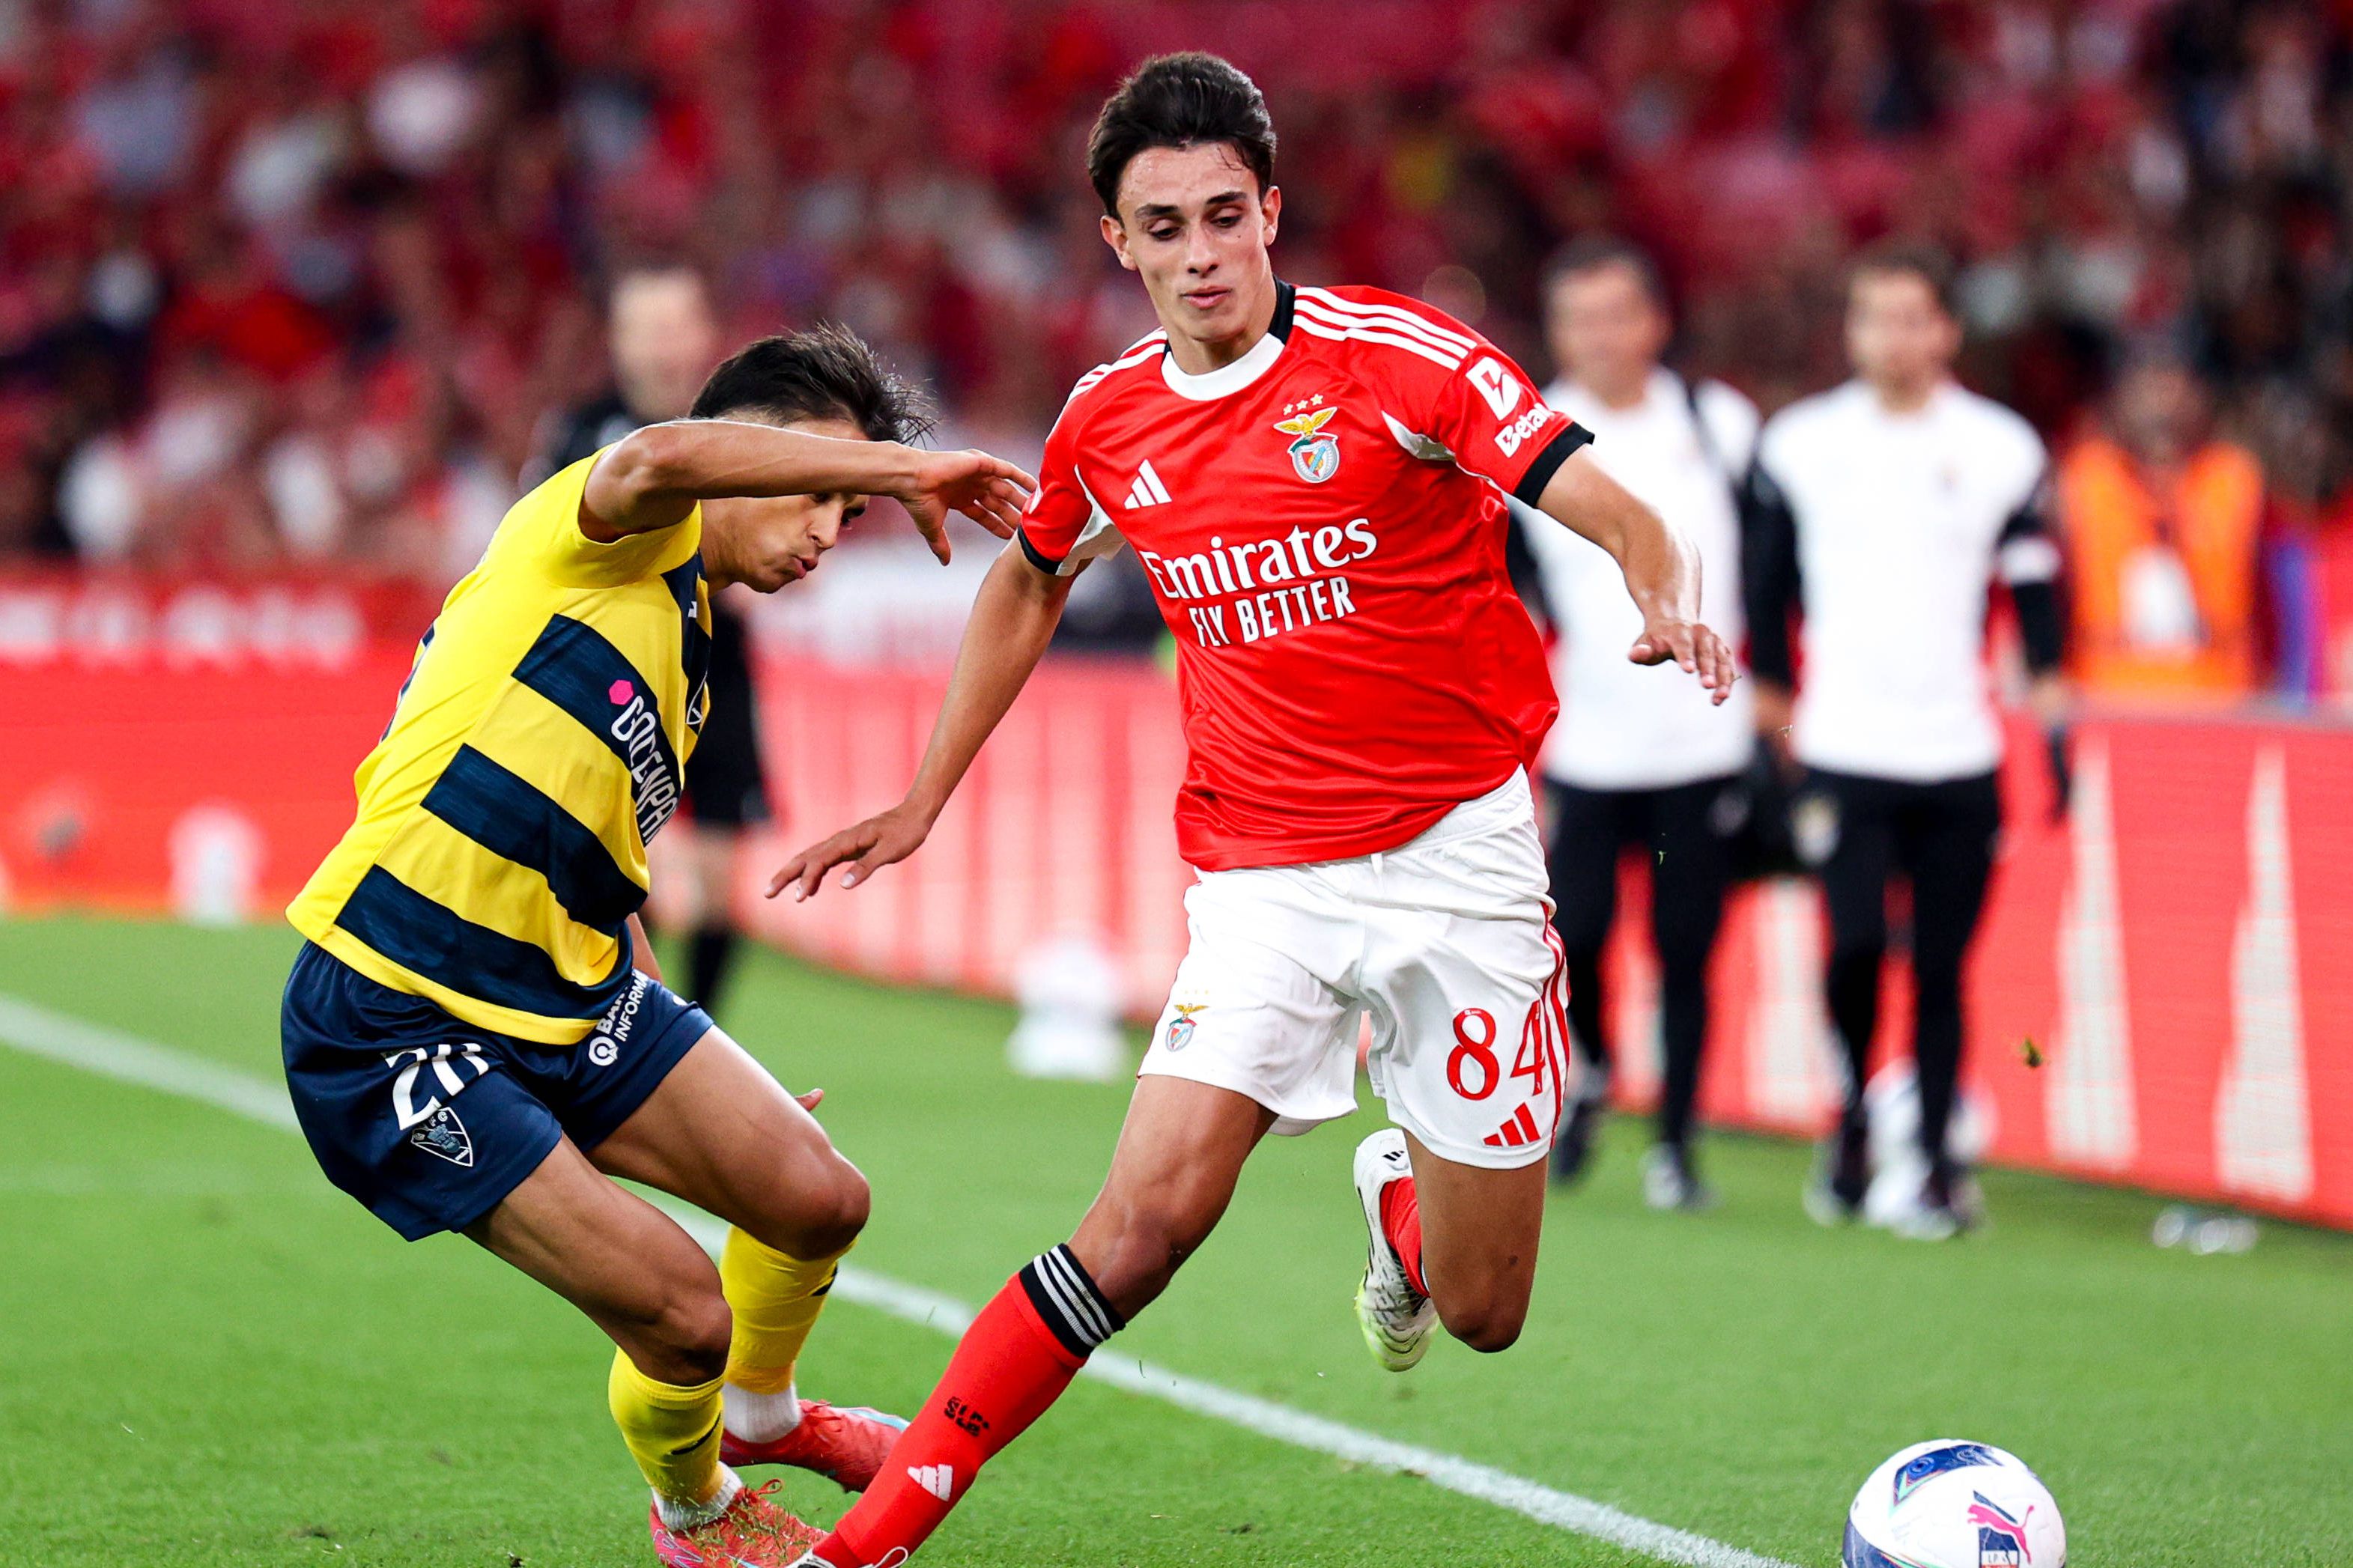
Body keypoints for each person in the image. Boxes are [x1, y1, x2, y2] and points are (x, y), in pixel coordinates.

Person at [771, 54, 1734, 1568]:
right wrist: (921, 796)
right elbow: (1028, 576)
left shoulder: (1396, 361)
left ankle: (1399, 1191)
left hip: (1460, 858)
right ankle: (865, 1545)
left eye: (1225, 216)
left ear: (1271, 211)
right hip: (1262, 879)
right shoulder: (1108, 421)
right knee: (1137, 1229)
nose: (1201, 254)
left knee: (1483, 1312)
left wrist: (1660, 596)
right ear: (1118, 241)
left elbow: (1613, 506)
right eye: (1163, 227)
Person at [279, 327, 1035, 1566]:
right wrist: (906, 468)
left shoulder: (686, 664)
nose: (827, 529)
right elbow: (661, 454)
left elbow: (601, 869)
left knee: (818, 1197)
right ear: (743, 451)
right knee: (687, 1315)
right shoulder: (608, 528)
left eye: (847, 512)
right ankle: (695, 1511)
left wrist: (680, 1059)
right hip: (391, 1011)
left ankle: (764, 1415)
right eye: (817, 489)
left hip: (561, 997)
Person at [1743, 242, 2070, 1241]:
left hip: (1957, 749)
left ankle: (1930, 1157)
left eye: (1911, 317)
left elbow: (2036, 593)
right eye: (1874, 317)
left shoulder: (2000, 448)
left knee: (1939, 965)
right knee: (1851, 947)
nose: (1893, 337)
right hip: (1844, 745)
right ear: (1851, 331)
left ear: (1946, 330)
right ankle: (1850, 1112)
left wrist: (2053, 719)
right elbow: (1766, 592)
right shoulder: (1800, 444)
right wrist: (1770, 728)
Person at [1513, 237, 1759, 1209]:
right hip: (1589, 743)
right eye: (1579, 319)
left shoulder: (1717, 423)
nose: (1600, 337)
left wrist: (1774, 687)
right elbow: (1509, 592)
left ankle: (1678, 1141)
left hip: (1701, 741)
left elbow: (1767, 562)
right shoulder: (1525, 431)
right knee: (1576, 935)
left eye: (1617, 314)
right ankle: (1593, 1073)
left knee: (1686, 948)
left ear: (1655, 320)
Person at [532, 266, 777, 1018]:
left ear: (704, 336)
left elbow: (781, 545)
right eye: (649, 329)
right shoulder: (580, 434)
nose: (664, 346)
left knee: (718, 881)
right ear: (620, 342)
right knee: (642, 879)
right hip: (616, 675)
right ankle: (633, 1031)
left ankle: (701, 1038)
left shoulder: (742, 431)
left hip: (715, 667)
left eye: (677, 327)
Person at [2055, 352, 2265, 700]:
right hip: (2106, 697)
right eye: (2148, 389)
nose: (2161, 407)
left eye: (2175, 388)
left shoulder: (2234, 478)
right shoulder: (2085, 478)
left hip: (2218, 698)